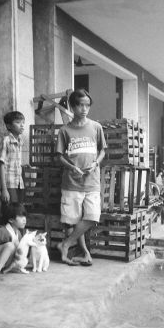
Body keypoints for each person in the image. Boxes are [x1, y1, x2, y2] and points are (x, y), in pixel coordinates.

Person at [55, 89, 107, 266]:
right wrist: (72, 167)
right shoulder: (65, 130)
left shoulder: (96, 127)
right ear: (72, 106)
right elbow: (59, 156)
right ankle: (85, 253)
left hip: (92, 181)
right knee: (74, 222)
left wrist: (96, 163)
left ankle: (65, 244)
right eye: (80, 105)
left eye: (87, 105)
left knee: (92, 216)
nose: (84, 109)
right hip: (71, 182)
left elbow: (102, 150)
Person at [0, 111, 26, 210]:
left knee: (19, 210)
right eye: (18, 122)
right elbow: (1, 165)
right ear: (9, 126)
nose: (22, 125)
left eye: (23, 122)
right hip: (9, 184)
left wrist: (23, 165)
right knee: (10, 211)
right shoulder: (6, 141)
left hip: (19, 183)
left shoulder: (20, 140)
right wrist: (4, 189)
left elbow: (13, 161)